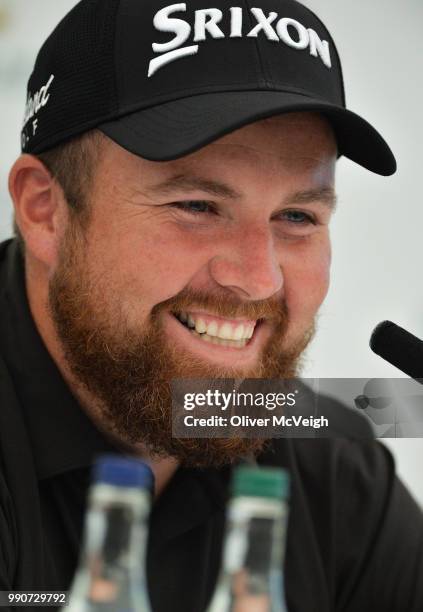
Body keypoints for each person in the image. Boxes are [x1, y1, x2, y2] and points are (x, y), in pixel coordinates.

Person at [0, 0, 422, 610]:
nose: (257, 279)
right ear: (45, 210)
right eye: (196, 205)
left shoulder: (332, 466)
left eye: (297, 216)